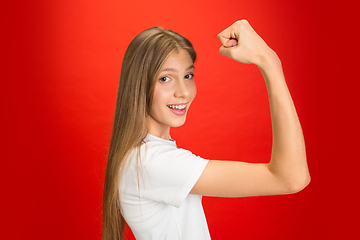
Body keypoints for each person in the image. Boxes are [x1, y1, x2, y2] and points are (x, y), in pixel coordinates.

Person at [102, 20, 310, 240]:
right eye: (165, 78)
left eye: (188, 76)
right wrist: (270, 62)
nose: (183, 92)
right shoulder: (152, 162)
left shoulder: (144, 155)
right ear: (138, 85)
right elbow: (291, 178)